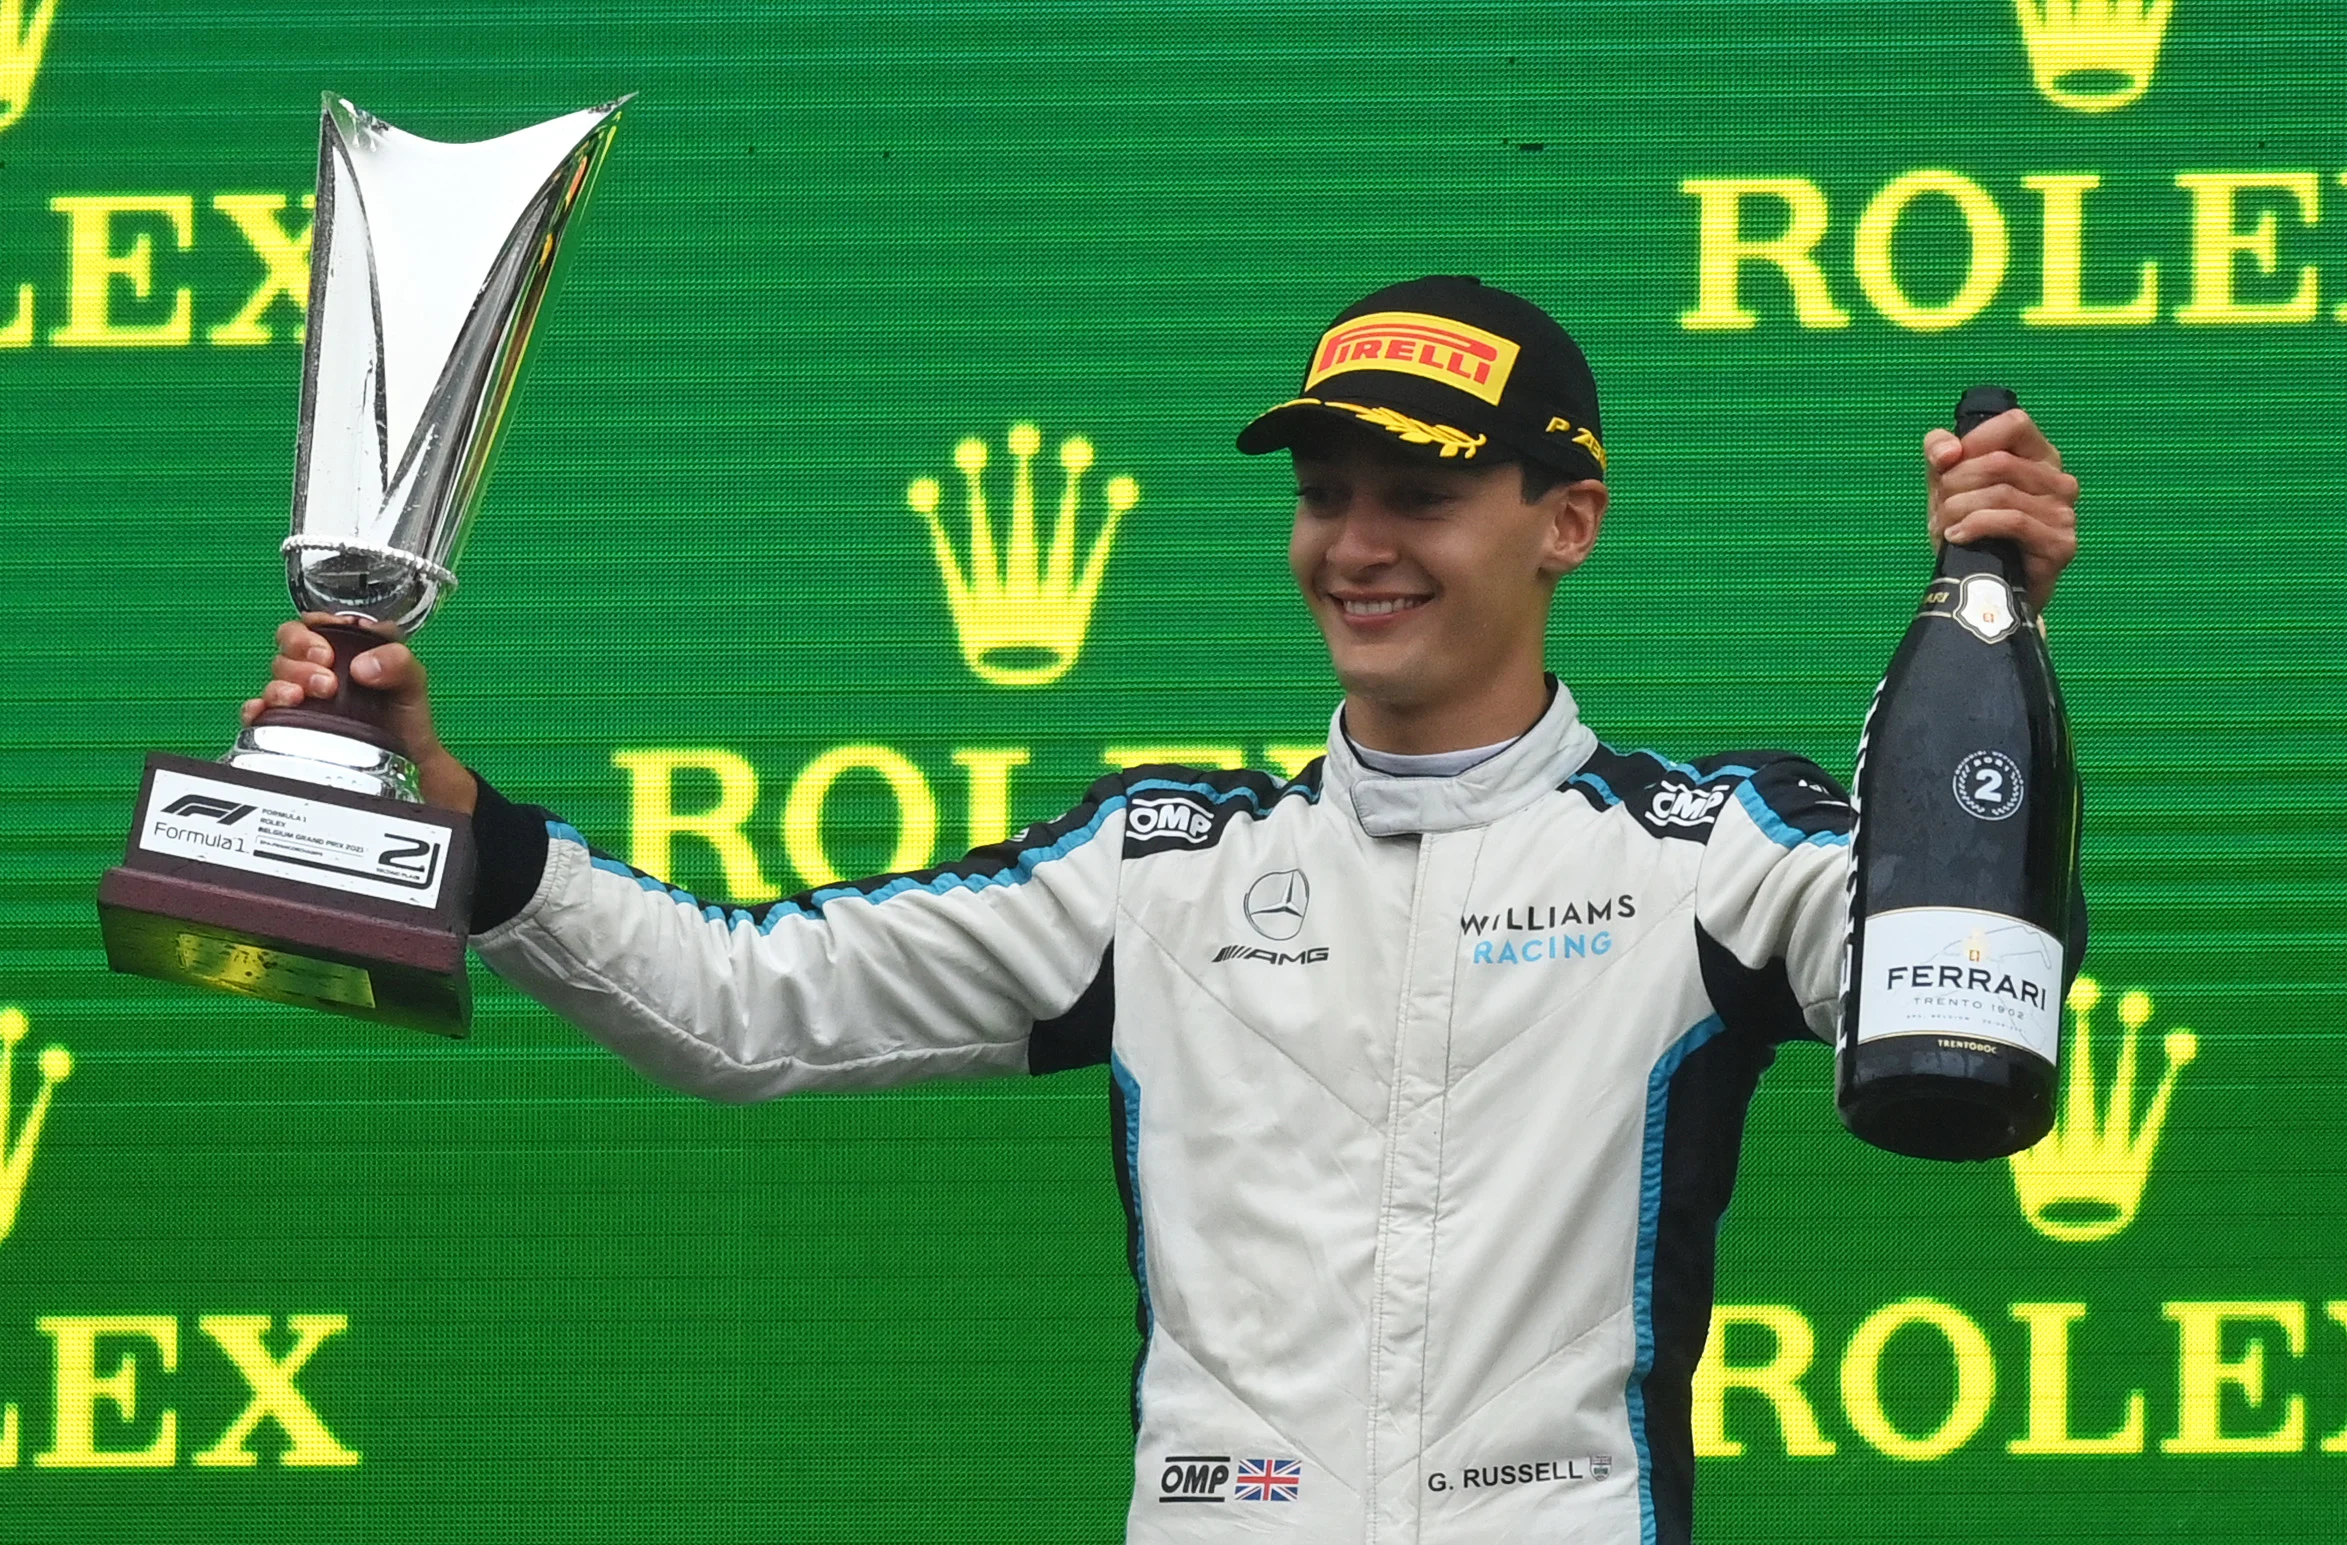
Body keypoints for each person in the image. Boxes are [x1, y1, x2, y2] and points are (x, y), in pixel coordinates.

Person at [248, 276, 2081, 1543]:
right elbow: (743, 1010)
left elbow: (1944, 986)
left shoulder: (1713, 846)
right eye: (1323, 495)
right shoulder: (1155, 866)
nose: (1357, 545)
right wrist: (451, 814)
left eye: (1422, 493)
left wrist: (1988, 606)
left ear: (1565, 521)